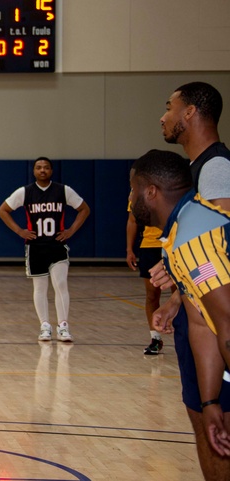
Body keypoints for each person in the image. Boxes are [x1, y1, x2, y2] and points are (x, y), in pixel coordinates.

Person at [147, 82, 230, 480]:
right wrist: (178, 295)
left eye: (169, 107)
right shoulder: (196, 171)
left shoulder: (215, 169)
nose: (163, 116)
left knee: (217, 430)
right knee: (204, 417)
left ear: (191, 113)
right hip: (203, 317)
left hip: (220, 324)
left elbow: (219, 257)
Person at [130, 149, 230, 471]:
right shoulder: (178, 235)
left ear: (151, 192)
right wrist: (210, 399)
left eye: (133, 190)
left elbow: (227, 321)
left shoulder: (193, 237)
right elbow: (202, 323)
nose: (131, 200)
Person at [0, 157, 90, 342]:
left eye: (46, 167)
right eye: (39, 168)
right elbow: (3, 210)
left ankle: (63, 325)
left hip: (56, 245)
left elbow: (84, 209)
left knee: (61, 284)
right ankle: (44, 325)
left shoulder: (63, 190)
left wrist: (71, 230)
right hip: (35, 246)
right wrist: (19, 231)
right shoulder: (25, 192)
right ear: (33, 171)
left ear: (51, 171)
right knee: (40, 287)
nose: (42, 170)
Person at [125, 207, 165, 354]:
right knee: (152, 295)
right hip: (150, 245)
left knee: (180, 296)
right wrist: (129, 249)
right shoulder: (138, 189)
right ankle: (155, 338)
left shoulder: (175, 186)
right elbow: (132, 220)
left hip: (173, 243)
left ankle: (186, 336)